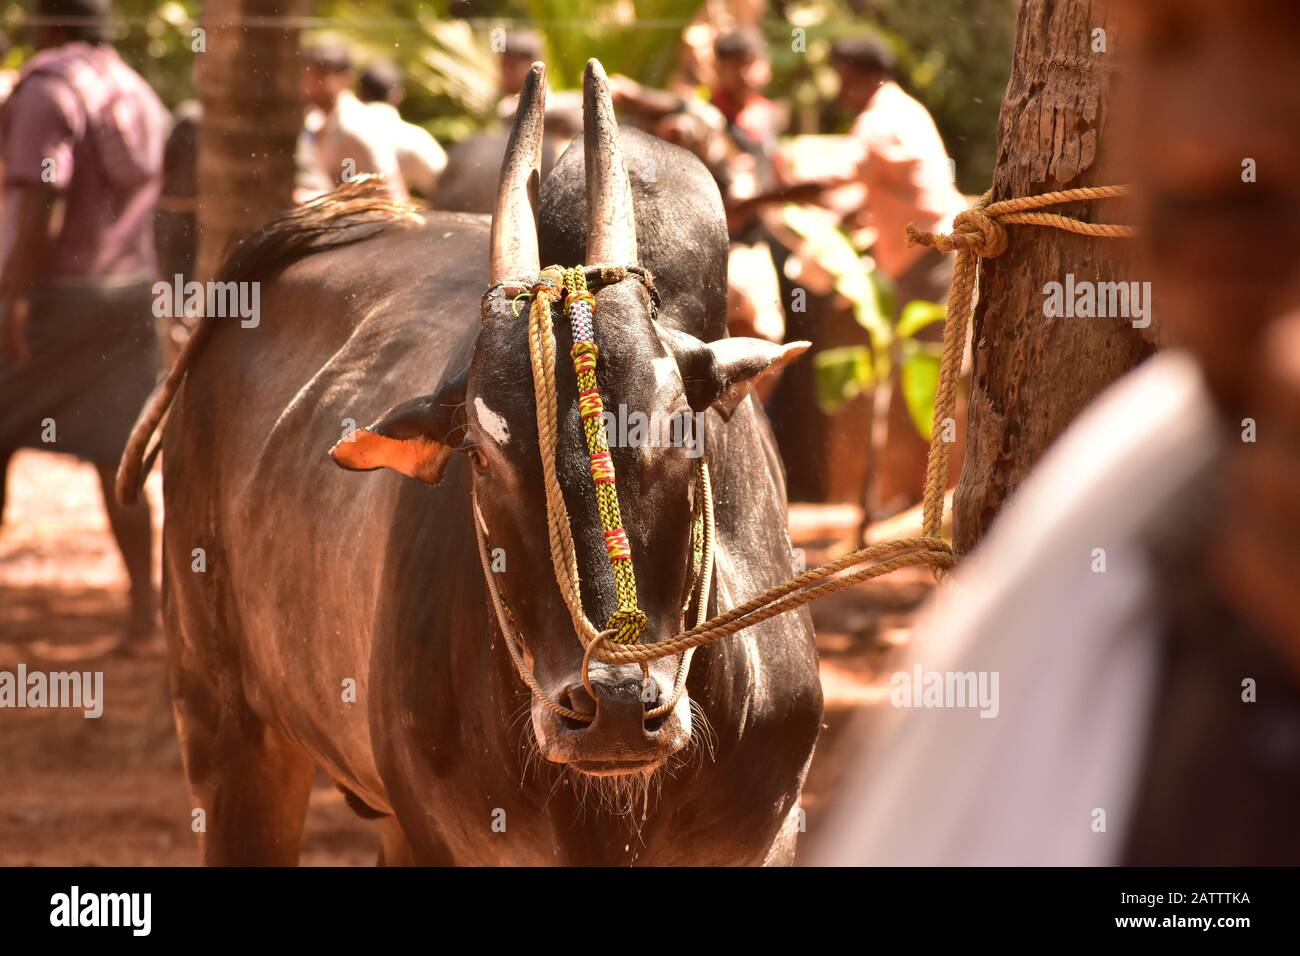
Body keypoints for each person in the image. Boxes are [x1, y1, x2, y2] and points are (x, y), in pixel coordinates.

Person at [815, 0, 1300, 865]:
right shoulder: (1114, 498)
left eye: (1286, 39)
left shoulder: (881, 122)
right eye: (1168, 44)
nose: (1206, 144)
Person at [0, 0, 168, 648]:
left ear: (48, 24)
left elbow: (46, 190)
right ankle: (142, 621)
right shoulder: (135, 88)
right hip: (126, 293)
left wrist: (17, 296)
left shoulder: (47, 88)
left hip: (52, 294)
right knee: (114, 453)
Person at [301, 43, 406, 200]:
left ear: (346, 78)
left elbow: (395, 197)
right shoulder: (315, 123)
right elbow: (346, 192)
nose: (311, 86)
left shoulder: (356, 126)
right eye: (308, 76)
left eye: (320, 76)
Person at [356, 59, 446, 199]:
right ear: (397, 95)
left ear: (359, 94)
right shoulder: (413, 137)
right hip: (391, 217)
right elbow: (447, 185)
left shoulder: (333, 129)